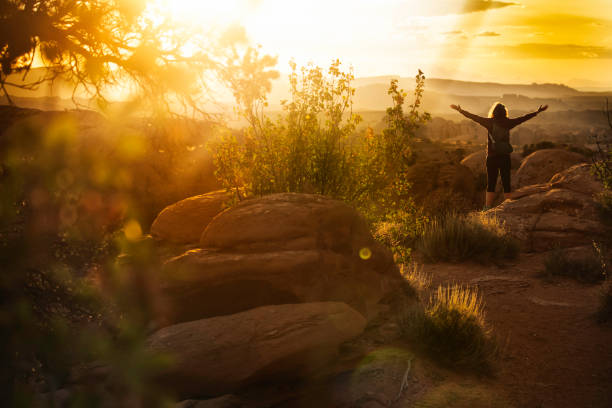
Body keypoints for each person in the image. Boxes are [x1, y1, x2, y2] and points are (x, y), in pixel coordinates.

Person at [450, 102, 548, 209]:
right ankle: (528, 192)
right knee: (507, 191)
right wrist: (537, 112)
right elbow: (522, 118)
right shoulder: (508, 123)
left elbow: (474, 117)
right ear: (505, 112)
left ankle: (487, 208)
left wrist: (460, 110)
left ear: (493, 112)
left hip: (492, 158)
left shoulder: (488, 122)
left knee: (491, 184)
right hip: (505, 158)